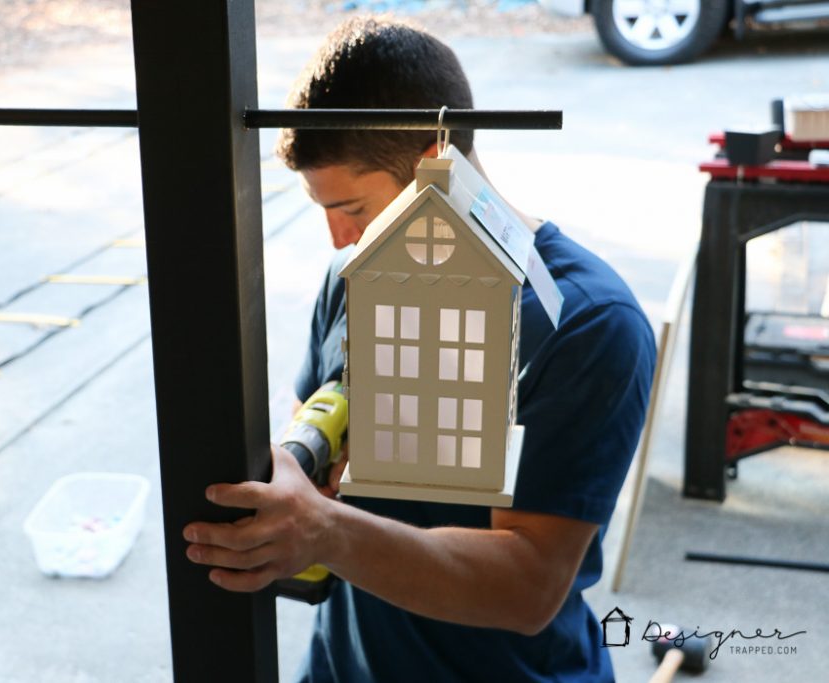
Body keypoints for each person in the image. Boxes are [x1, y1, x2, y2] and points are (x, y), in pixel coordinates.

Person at [182, 15, 656, 683]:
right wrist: (296, 468)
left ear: (437, 159)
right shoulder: (356, 278)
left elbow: (527, 584)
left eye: (352, 206)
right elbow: (314, 427)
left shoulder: (587, 324)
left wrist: (322, 531)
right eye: (321, 208)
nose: (338, 240)